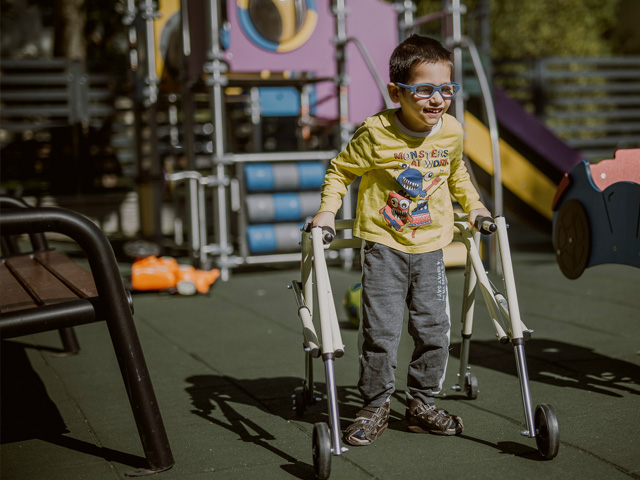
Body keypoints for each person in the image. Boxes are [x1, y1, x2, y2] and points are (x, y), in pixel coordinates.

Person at [311, 34, 491, 446]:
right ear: (397, 92)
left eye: (446, 89)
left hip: (431, 246)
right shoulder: (376, 134)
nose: (437, 99)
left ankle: (421, 403)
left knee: (434, 329)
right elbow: (340, 171)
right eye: (424, 89)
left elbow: (456, 172)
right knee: (381, 331)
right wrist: (327, 211)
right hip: (384, 245)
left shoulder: (451, 132)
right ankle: (374, 405)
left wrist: (476, 206)